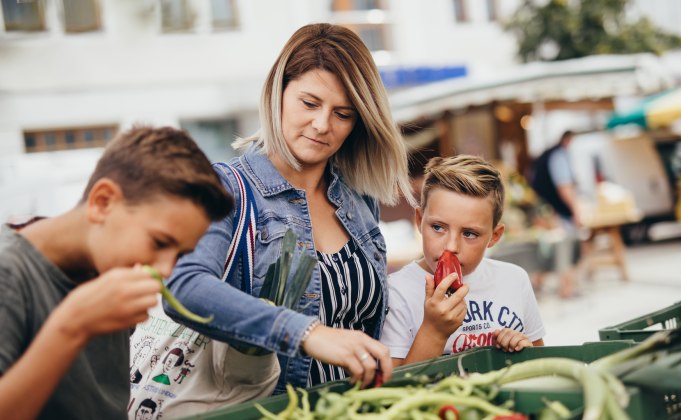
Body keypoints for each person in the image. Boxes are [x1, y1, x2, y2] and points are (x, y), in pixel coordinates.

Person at [164, 23, 415, 393]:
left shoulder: (359, 198)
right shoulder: (226, 189)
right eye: (310, 103)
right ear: (278, 92)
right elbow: (183, 287)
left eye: (343, 114)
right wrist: (304, 332)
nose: (322, 124)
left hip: (354, 416)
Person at [0, 126, 234, 420]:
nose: (166, 269)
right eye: (159, 242)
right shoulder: (9, 274)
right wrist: (72, 327)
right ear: (103, 201)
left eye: (180, 254)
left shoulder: (108, 264)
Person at [380, 155, 546, 366]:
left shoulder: (514, 279)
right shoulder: (397, 292)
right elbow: (394, 387)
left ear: (494, 236)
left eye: (469, 233)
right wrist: (433, 332)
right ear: (420, 221)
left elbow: (541, 363)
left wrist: (523, 351)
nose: (451, 246)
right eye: (438, 227)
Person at [530, 130, 581, 297]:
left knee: (550, 248)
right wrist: (576, 211)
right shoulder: (559, 156)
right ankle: (567, 288)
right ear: (568, 140)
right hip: (553, 210)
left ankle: (537, 282)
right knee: (565, 248)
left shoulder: (549, 154)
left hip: (542, 207)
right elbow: (564, 186)